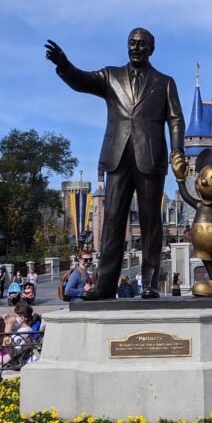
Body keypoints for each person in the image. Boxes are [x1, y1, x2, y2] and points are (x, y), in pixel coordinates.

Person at [46, 28, 186, 300]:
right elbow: (81, 81)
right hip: (117, 155)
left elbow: (176, 119)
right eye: (132, 43)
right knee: (112, 221)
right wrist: (64, 65)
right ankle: (105, 286)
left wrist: (177, 150)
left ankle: (150, 284)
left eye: (142, 44)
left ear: (151, 49)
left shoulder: (165, 82)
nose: (136, 48)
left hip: (151, 157)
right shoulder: (111, 76)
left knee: (151, 223)